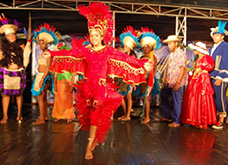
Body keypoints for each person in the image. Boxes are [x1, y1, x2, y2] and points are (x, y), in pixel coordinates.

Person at [47, 2, 153, 159]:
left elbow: (125, 58)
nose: (93, 38)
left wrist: (143, 64)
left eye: (96, 35)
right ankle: (94, 138)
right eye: (91, 35)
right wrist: (52, 55)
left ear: (102, 36)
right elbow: (73, 53)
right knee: (90, 116)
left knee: (96, 114)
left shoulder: (109, 51)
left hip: (101, 88)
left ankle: (89, 146)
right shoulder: (87, 50)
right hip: (87, 87)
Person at [0, 14, 31, 123]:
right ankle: (5, 116)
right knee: (6, 94)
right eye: (9, 36)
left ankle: (19, 114)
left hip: (18, 72)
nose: (12, 37)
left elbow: (26, 58)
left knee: (19, 94)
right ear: (6, 37)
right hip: (7, 72)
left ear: (15, 36)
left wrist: (27, 48)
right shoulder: (2, 48)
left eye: (13, 35)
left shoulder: (21, 47)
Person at [180, 41, 217, 129]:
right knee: (195, 98)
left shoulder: (207, 58)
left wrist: (199, 70)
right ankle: (196, 118)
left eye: (195, 49)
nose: (194, 51)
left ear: (199, 50)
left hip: (202, 80)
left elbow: (208, 67)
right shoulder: (198, 59)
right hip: (196, 79)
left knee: (203, 97)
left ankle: (202, 119)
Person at [31, 23, 58, 125]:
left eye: (43, 43)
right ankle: (44, 116)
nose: (41, 45)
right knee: (42, 97)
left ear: (46, 44)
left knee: (40, 96)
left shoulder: (48, 54)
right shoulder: (44, 53)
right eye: (39, 43)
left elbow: (48, 68)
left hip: (43, 75)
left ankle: (42, 118)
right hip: (40, 75)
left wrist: (42, 78)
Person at [161, 35, 187, 127]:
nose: (169, 45)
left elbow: (182, 68)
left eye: (171, 43)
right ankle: (168, 116)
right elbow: (169, 67)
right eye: (168, 44)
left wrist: (178, 83)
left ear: (176, 43)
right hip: (170, 80)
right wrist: (165, 79)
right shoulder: (171, 54)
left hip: (176, 81)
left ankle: (176, 121)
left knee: (176, 100)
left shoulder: (180, 53)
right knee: (164, 96)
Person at [209, 20, 228, 129]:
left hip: (218, 76)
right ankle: (213, 117)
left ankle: (221, 120)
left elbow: (225, 62)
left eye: (217, 35)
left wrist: (220, 77)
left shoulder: (225, 46)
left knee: (220, 97)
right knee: (212, 97)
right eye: (214, 35)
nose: (215, 37)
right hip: (210, 75)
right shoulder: (212, 48)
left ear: (222, 36)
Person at [117, 25, 140, 121]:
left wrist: (133, 82)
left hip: (129, 79)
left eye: (126, 46)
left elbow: (134, 69)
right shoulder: (123, 55)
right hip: (123, 78)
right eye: (124, 46)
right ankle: (126, 114)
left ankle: (128, 116)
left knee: (128, 96)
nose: (124, 47)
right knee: (121, 97)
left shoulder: (133, 56)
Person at [139, 27, 161, 124]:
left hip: (149, 79)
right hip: (142, 79)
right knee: (143, 97)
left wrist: (151, 79)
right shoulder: (141, 57)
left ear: (150, 47)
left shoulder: (153, 57)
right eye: (144, 47)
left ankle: (147, 117)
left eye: (147, 47)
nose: (145, 48)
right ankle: (144, 115)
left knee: (146, 97)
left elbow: (154, 68)